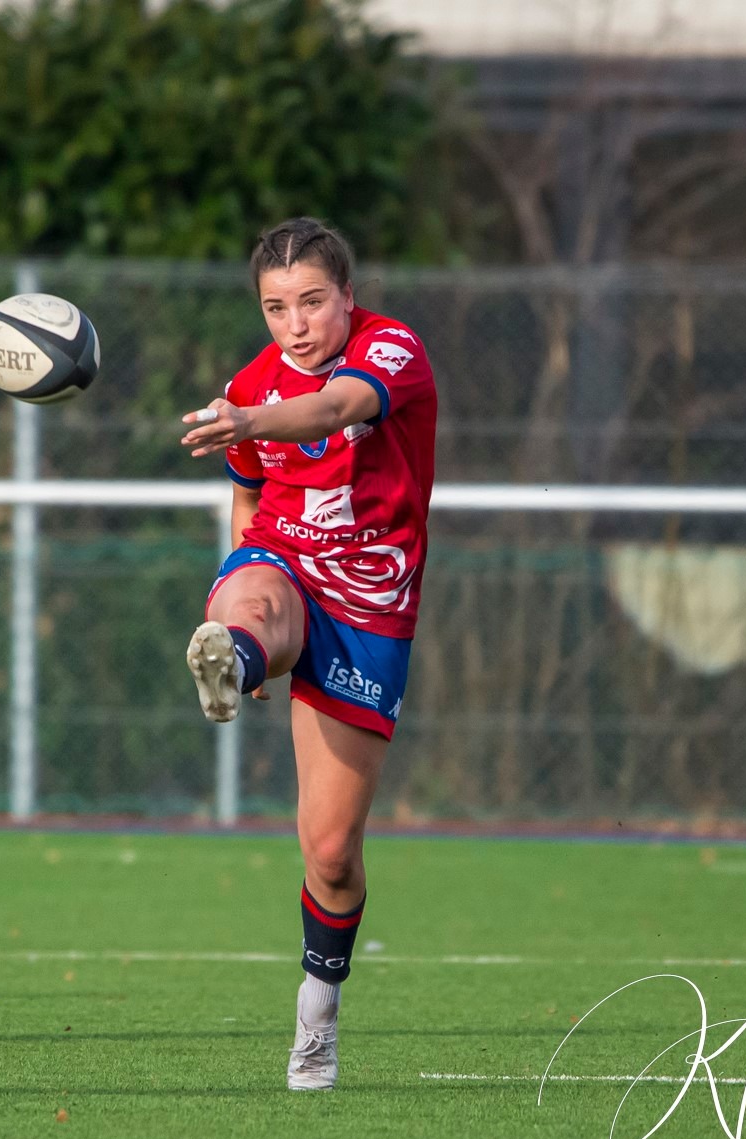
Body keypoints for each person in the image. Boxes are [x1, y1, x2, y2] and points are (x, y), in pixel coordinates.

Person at [179, 217, 437, 1091]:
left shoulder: (393, 349)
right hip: (282, 563)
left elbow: (331, 409)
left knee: (330, 850)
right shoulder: (247, 387)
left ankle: (317, 1022)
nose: (295, 325)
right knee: (250, 590)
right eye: (276, 307)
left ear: (348, 298)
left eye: (312, 302)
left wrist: (252, 417)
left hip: (370, 602)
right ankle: (237, 654)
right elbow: (250, 506)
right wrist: (250, 623)